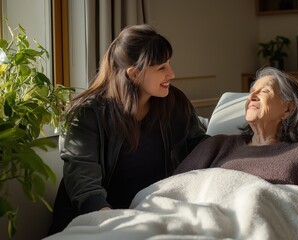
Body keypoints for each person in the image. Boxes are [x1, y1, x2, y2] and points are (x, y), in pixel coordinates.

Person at [48, 24, 209, 235]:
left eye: (169, 64)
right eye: (161, 68)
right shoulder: (87, 114)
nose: (172, 74)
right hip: (98, 219)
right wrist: (115, 223)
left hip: (154, 214)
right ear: (134, 74)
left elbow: (201, 146)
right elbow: (83, 183)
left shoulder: (174, 102)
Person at [174, 67, 298, 216]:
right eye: (251, 91)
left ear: (288, 109)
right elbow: (174, 189)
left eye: (264, 91)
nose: (251, 97)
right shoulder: (216, 145)